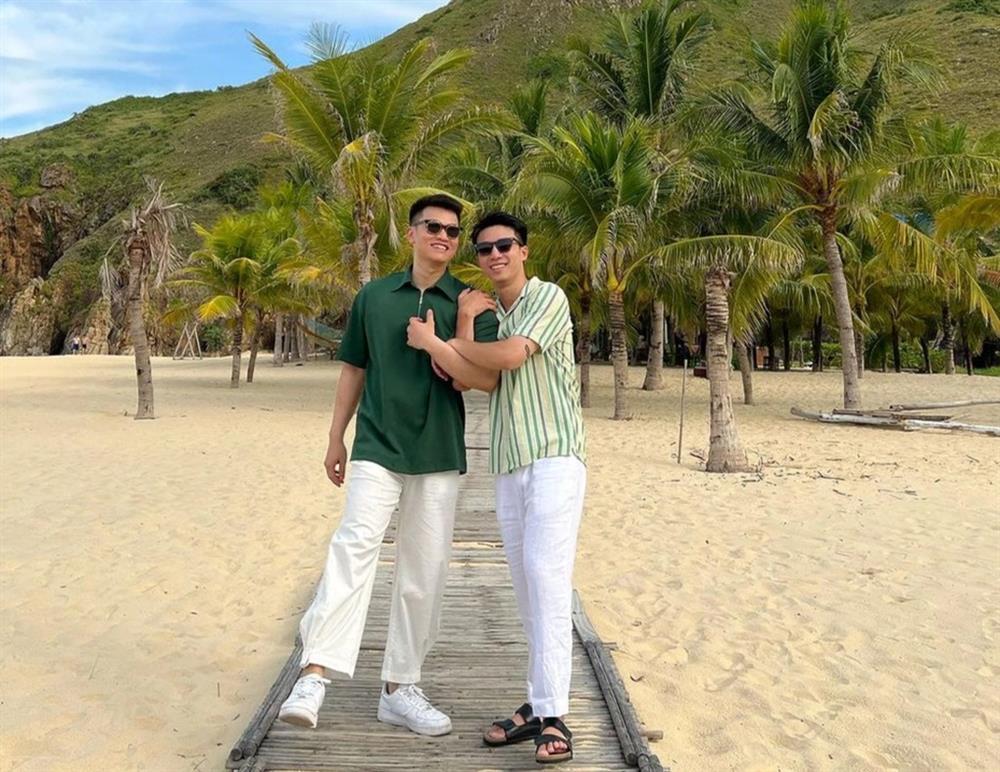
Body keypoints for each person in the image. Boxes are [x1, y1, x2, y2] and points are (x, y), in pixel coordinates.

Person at [277, 194, 499, 737]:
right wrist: (336, 437)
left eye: (453, 231)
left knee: (424, 570)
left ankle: (400, 689)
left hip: (438, 451)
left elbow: (480, 379)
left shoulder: (471, 303)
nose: (443, 236)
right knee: (353, 547)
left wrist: (449, 333)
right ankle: (314, 673)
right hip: (377, 445)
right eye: (433, 227)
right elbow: (354, 368)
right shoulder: (373, 297)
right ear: (411, 233)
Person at [406, 211, 586, 764]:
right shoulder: (491, 313)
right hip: (509, 461)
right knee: (527, 589)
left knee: (546, 578)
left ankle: (555, 716)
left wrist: (436, 342)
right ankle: (537, 703)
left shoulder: (547, 297)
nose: (495, 255)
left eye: (504, 245)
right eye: (484, 249)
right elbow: (468, 378)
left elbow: (508, 357)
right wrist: (462, 322)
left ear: (523, 250)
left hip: (554, 455)